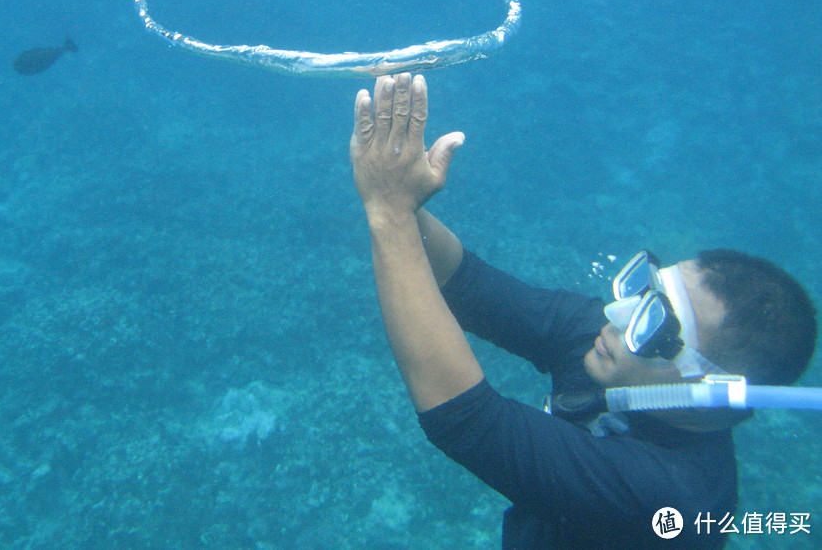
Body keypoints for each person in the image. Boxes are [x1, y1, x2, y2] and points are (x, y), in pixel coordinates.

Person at [348, 72, 817, 549]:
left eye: (654, 322)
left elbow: (468, 421)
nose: (617, 313)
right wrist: (401, 193)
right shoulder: (616, 349)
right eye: (644, 289)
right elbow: (468, 285)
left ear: (709, 390)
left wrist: (388, 211)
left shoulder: (670, 497)